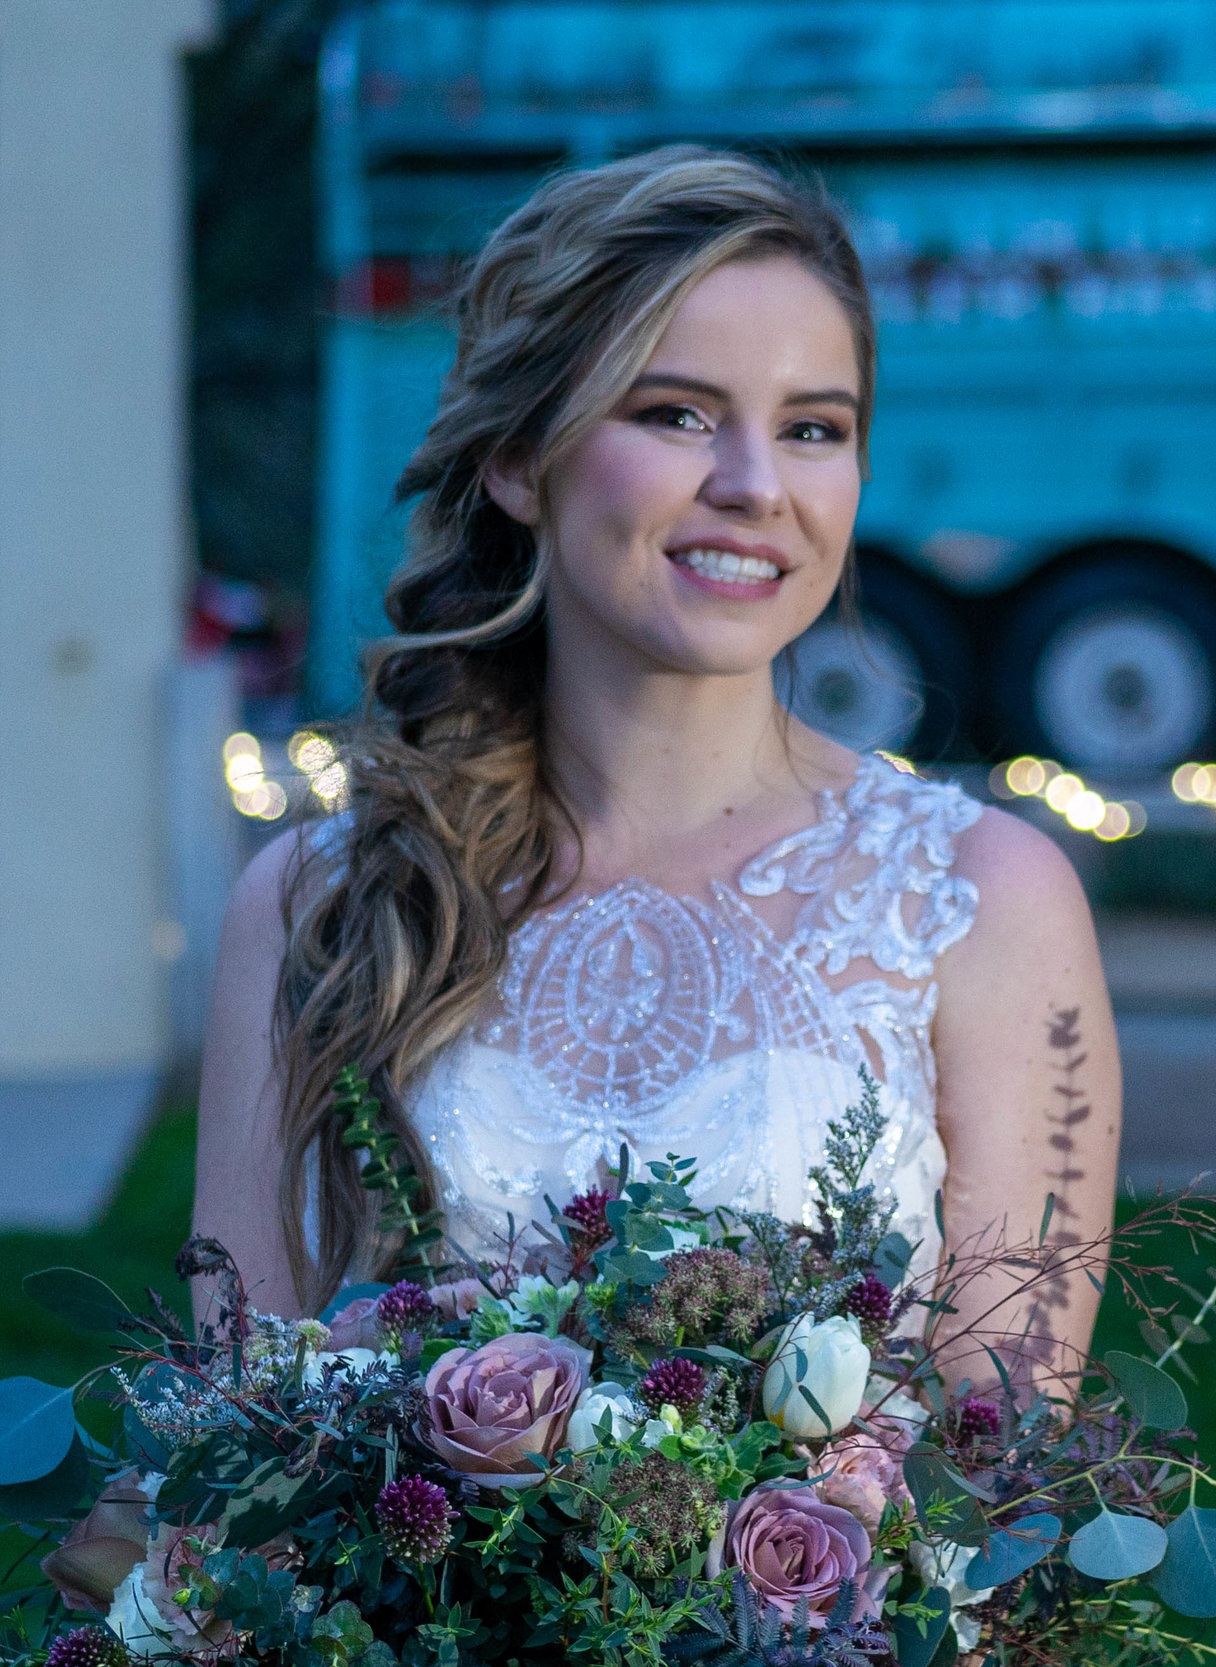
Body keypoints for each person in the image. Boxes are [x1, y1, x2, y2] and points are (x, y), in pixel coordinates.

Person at [193, 147, 1120, 1386]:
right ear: (522, 458)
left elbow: (1013, 1481)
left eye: (811, 429)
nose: (752, 486)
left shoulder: (982, 899)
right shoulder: (319, 901)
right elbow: (219, 1432)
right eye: (675, 413)